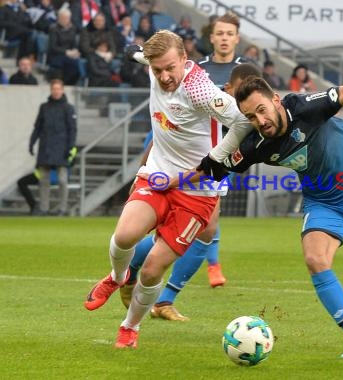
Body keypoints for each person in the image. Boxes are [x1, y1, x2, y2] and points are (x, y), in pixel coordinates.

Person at [196, 72, 343, 358]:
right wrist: (164, 182)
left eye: (262, 110)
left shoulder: (305, 107)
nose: (260, 121)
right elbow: (210, 169)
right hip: (322, 201)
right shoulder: (255, 145)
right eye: (251, 117)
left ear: (276, 101)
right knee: (315, 259)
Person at [82, 30, 252, 349]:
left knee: (151, 270)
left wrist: (216, 158)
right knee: (124, 236)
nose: (164, 76)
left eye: (170, 68)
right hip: (158, 176)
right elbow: (140, 55)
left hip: (197, 190)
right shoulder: (153, 66)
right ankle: (117, 277)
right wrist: (131, 50)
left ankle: (129, 327)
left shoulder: (200, 89)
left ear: (184, 61)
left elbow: (242, 122)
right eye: (157, 69)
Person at [121, 13, 245, 322]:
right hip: (186, 163)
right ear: (211, 38)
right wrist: (149, 155)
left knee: (201, 232)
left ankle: (160, 295)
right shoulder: (192, 70)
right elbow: (169, 121)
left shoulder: (245, 72)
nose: (225, 38)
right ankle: (154, 289)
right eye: (220, 33)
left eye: (230, 33)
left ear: (237, 38)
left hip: (217, 159)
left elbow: (249, 112)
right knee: (201, 232)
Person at [28, 79, 77, 216]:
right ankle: (44, 208)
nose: (56, 91)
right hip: (46, 148)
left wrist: (70, 147)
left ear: (62, 90)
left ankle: (62, 208)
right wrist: (32, 143)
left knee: (62, 180)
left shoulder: (68, 108)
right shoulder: (44, 107)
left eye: (58, 89)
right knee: (44, 180)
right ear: (51, 90)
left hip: (62, 148)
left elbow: (72, 130)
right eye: (53, 89)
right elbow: (37, 127)